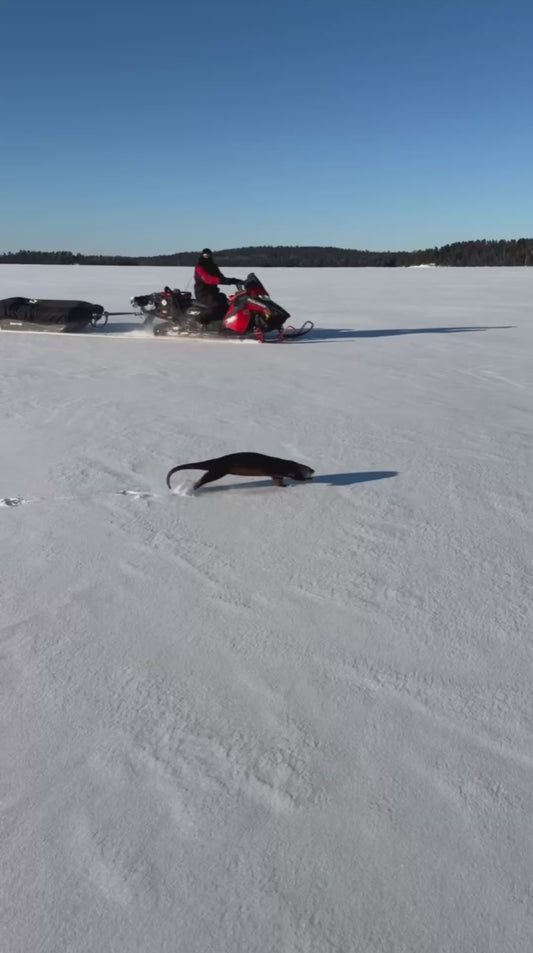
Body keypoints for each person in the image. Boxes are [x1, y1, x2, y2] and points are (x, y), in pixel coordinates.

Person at [193, 248, 243, 323]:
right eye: (205, 255)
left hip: (213, 292)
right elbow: (207, 278)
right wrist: (220, 280)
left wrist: (233, 280)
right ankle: (200, 320)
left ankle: (224, 323)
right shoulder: (199, 267)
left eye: (208, 255)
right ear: (202, 256)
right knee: (215, 305)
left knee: (225, 302)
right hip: (203, 293)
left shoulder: (213, 266)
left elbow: (220, 277)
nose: (207, 257)